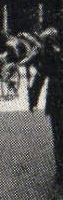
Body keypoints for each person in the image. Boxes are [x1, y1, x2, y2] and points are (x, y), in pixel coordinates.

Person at [28, 25, 63, 187]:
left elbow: (41, 75)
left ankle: (60, 172)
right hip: (56, 99)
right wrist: (33, 99)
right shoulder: (50, 51)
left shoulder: (49, 51)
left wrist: (33, 99)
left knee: (59, 137)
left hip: (56, 99)